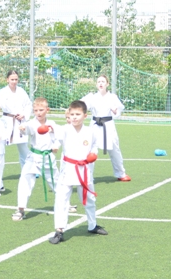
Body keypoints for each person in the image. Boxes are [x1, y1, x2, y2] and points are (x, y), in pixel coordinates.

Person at [50, 100, 106, 244]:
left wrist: (93, 154)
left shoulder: (90, 131)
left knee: (89, 199)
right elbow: (54, 133)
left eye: (78, 114)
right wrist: (49, 133)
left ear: (85, 116)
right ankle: (59, 230)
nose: (74, 117)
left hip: (85, 170)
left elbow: (94, 146)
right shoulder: (65, 129)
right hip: (68, 169)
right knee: (61, 199)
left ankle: (92, 225)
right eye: (72, 114)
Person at [13, 97, 61, 221]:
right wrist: (23, 129)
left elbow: (59, 137)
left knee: (56, 181)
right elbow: (27, 129)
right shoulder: (31, 123)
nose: (38, 113)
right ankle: (20, 209)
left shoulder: (52, 124)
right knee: (25, 180)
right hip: (33, 157)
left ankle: (64, 203)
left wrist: (56, 145)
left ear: (47, 110)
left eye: (41, 110)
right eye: (36, 110)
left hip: (48, 157)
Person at [81, 74, 131, 181]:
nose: (101, 83)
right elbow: (82, 106)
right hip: (95, 125)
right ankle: (88, 176)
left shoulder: (112, 97)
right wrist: (82, 104)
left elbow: (118, 112)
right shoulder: (91, 97)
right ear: (96, 84)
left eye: (103, 81)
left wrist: (115, 110)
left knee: (115, 150)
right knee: (91, 150)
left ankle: (121, 173)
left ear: (107, 84)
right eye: (99, 82)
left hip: (108, 125)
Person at [0, 70, 32, 176]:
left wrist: (24, 114)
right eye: (12, 79)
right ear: (7, 80)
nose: (14, 81)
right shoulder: (3, 92)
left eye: (16, 79)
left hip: (19, 122)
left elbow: (28, 105)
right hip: (7, 122)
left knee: (24, 148)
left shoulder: (21, 92)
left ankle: (29, 169)